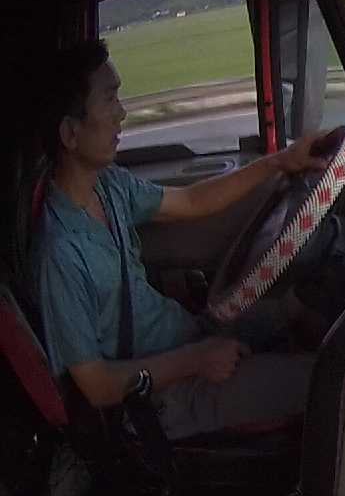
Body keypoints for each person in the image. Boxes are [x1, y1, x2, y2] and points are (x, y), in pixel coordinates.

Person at [34, 39, 325, 440]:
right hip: (162, 396)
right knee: (329, 381)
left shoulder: (108, 185)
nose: (122, 113)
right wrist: (196, 360)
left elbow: (191, 201)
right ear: (70, 133)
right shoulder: (59, 253)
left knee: (304, 301)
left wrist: (279, 162)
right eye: (109, 99)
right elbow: (97, 386)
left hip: (188, 335)